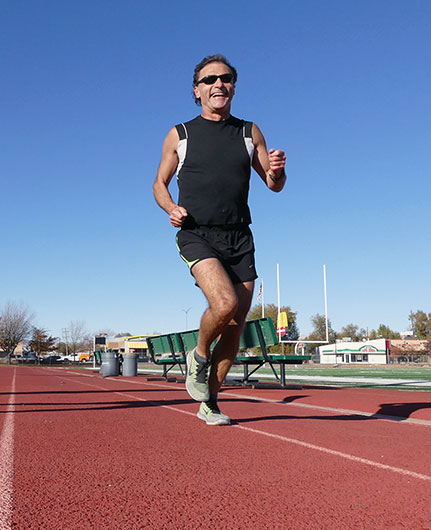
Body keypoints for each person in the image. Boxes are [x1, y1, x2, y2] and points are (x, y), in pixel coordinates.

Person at [152, 54, 286, 426]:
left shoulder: (250, 132)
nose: (218, 85)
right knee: (223, 303)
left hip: (240, 237)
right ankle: (198, 355)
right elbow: (158, 185)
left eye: (225, 79)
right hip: (196, 233)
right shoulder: (180, 134)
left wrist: (278, 170)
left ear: (233, 86)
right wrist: (170, 207)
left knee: (235, 325)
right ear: (197, 91)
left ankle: (209, 402)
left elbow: (273, 186)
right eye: (210, 79)